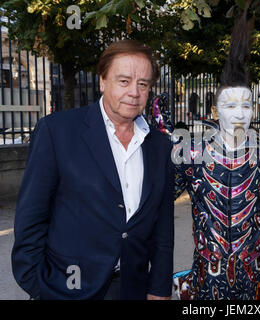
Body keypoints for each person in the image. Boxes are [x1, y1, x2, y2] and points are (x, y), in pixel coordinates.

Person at [11, 40, 174, 300]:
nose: (134, 92)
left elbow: (163, 227)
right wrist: (40, 288)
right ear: (102, 81)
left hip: (134, 289)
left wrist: (159, 287)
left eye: (143, 84)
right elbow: (30, 219)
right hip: (67, 290)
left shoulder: (160, 146)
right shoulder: (57, 132)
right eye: (124, 81)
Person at [154, 4, 260, 300]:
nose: (240, 114)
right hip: (207, 278)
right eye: (231, 106)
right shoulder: (192, 155)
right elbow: (159, 198)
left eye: (246, 105)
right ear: (216, 109)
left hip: (255, 278)